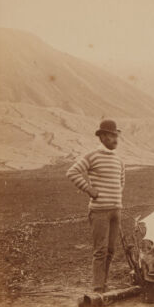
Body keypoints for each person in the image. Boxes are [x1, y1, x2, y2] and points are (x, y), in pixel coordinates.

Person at [66, 119, 125, 293]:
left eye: (116, 136)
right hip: (99, 212)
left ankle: (104, 283)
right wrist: (89, 189)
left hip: (116, 211)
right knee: (100, 250)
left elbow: (121, 181)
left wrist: (114, 198)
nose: (116, 139)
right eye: (112, 136)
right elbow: (72, 172)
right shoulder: (92, 156)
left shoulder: (119, 160)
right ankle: (98, 287)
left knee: (111, 249)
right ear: (103, 137)